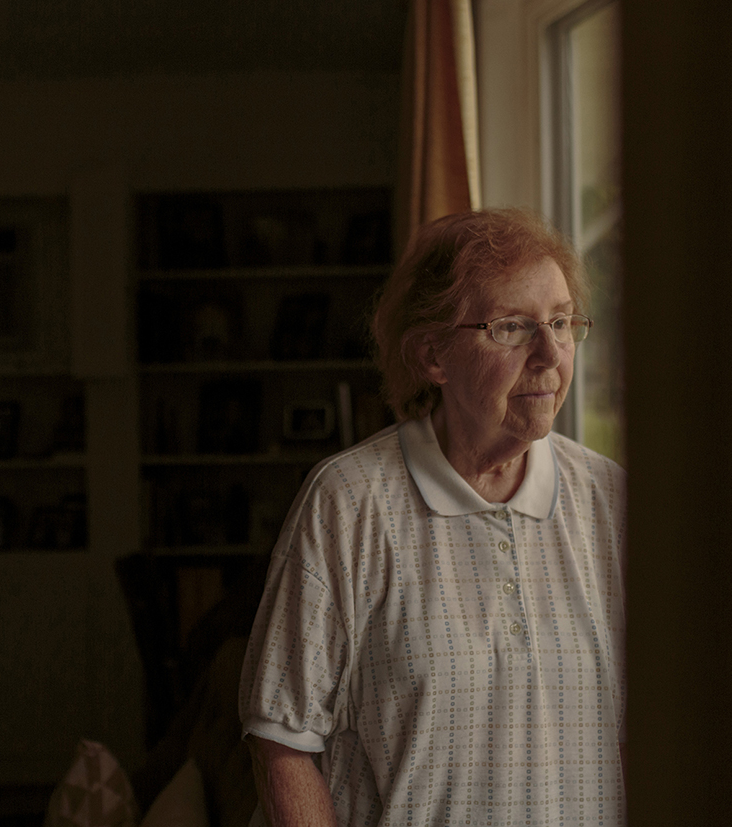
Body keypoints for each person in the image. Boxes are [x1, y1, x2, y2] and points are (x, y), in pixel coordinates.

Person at [238, 209, 626, 826]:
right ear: (431, 354)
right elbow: (283, 741)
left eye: (560, 322)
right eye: (512, 328)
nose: (551, 354)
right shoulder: (349, 502)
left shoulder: (612, 503)